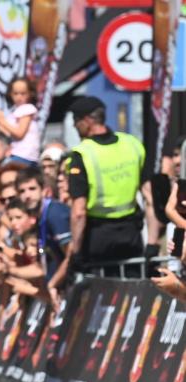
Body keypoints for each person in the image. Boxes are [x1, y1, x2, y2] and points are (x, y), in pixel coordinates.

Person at [65, 96, 145, 272]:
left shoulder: (82, 154)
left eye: (76, 120)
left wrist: (76, 252)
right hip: (131, 233)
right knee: (133, 282)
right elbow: (149, 194)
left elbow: (79, 211)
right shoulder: (132, 144)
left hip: (98, 238)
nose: (74, 126)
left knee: (100, 286)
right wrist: (153, 242)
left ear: (88, 120)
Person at [0, 76, 41, 165]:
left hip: (25, 155)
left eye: (23, 93)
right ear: (10, 94)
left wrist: (1, 120)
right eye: (15, 93)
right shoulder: (15, 111)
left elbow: (19, 134)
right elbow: (8, 134)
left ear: (30, 94)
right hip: (16, 154)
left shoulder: (27, 108)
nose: (19, 97)